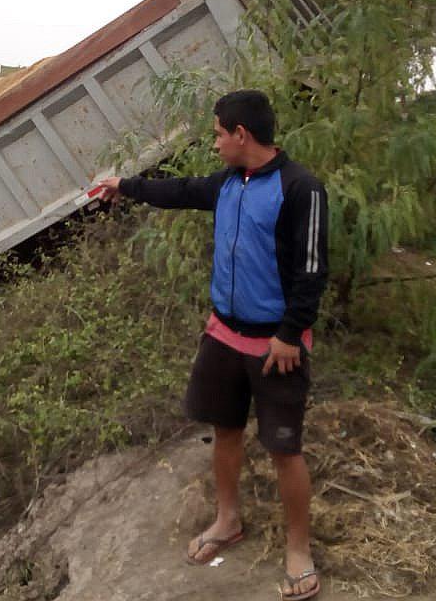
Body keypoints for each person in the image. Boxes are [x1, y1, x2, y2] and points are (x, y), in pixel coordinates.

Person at [99, 89, 328, 601]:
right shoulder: (228, 184)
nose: (216, 142)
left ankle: (298, 549)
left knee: (284, 448)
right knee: (225, 430)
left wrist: (291, 333)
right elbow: (179, 191)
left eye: (219, 133)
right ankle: (227, 521)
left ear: (241, 134)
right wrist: (125, 185)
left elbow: (313, 269)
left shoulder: (301, 189)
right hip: (223, 334)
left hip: (276, 346)